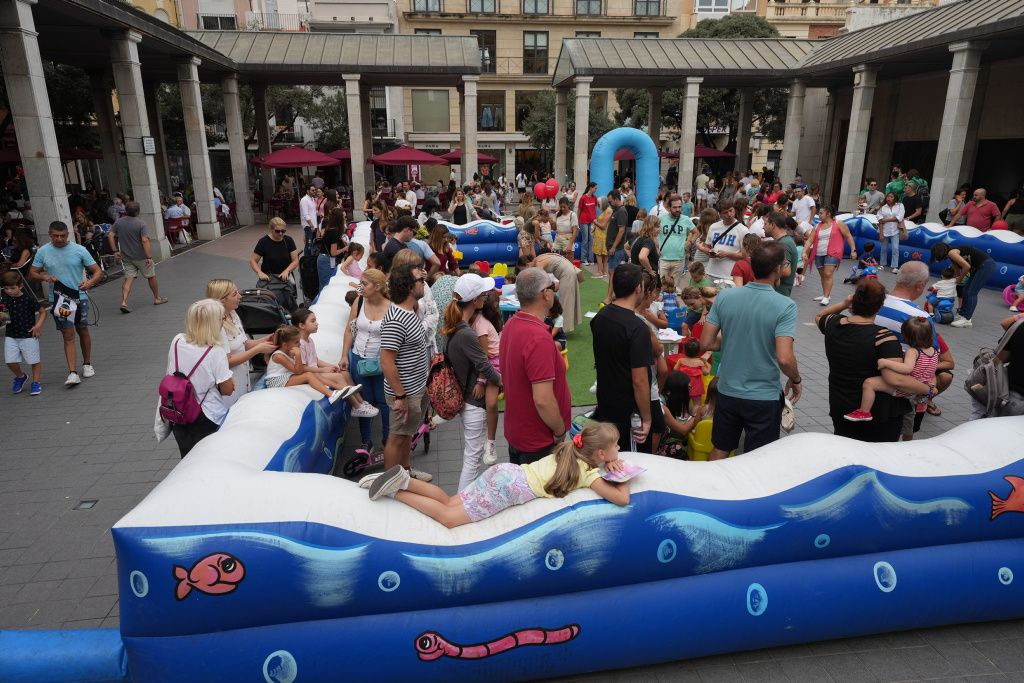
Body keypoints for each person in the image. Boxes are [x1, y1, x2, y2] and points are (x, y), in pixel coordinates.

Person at [367, 422, 630, 525]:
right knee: (448, 518)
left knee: (449, 500)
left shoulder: (568, 450)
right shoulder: (587, 473)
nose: (619, 449)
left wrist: (608, 462)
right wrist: (623, 475)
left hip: (505, 472)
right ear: (601, 455)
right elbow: (622, 500)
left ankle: (404, 479)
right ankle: (397, 492)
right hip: (509, 489)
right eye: (616, 446)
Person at [699, 242, 801, 458]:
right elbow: (784, 358)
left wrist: (732, 339)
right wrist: (796, 379)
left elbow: (706, 342)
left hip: (727, 390)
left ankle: (709, 489)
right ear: (776, 270)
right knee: (759, 458)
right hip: (763, 396)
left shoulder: (725, 297)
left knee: (720, 448)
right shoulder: (785, 306)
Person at [816, 281, 930, 442]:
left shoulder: (833, 324)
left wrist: (843, 303)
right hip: (880, 414)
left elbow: (820, 316)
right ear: (880, 305)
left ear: (854, 301)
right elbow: (895, 379)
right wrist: (927, 389)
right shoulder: (883, 337)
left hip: (841, 405)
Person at [499, 267, 571, 464]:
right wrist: (559, 429)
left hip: (519, 434)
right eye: (551, 287)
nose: (554, 290)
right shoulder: (538, 337)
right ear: (545, 294)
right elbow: (543, 399)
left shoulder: (511, 325)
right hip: (539, 441)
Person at [443, 274, 503, 489]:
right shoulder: (467, 332)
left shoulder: (455, 324)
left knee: (472, 456)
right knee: (473, 459)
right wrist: (502, 381)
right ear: (476, 300)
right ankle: (462, 501)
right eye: (483, 295)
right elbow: (484, 365)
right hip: (472, 403)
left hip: (465, 398)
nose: (486, 297)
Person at [30, 221, 102, 387]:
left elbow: (98, 271)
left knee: (82, 328)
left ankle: (87, 363)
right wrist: (45, 277)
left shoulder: (79, 250)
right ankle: (72, 372)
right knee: (67, 334)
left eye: (62, 236)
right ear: (50, 234)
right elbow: (32, 273)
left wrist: (90, 283)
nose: (59, 239)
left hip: (80, 296)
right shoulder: (43, 251)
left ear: (68, 234)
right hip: (59, 299)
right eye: (56, 236)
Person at [379, 263, 433, 482]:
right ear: (410, 287)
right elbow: (387, 362)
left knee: (407, 434)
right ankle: (390, 485)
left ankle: (406, 473)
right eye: (420, 281)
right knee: (397, 438)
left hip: (417, 387)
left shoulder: (411, 309)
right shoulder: (396, 320)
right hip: (405, 392)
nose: (424, 283)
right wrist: (400, 396)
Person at [591, 263, 652, 451]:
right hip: (628, 410)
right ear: (638, 288)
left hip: (606, 401)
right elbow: (639, 380)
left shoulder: (600, 317)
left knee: (611, 457)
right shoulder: (636, 328)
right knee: (629, 462)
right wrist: (647, 417)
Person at [164, 299, 235, 457]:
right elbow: (228, 389)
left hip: (178, 410)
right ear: (213, 323)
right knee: (209, 458)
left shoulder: (177, 341)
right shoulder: (216, 352)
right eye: (222, 318)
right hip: (206, 414)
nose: (224, 322)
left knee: (187, 458)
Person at [844, 316, 938, 422]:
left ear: (907, 336)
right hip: (920, 388)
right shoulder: (934, 352)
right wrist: (932, 384)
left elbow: (907, 368)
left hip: (906, 389)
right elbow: (932, 372)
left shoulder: (913, 351)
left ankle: (864, 411)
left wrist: (885, 362)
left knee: (869, 383)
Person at [340, 268, 392, 453]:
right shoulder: (359, 300)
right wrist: (344, 355)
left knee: (384, 401)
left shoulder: (391, 306)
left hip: (381, 361)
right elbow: (349, 329)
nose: (360, 287)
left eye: (365, 284)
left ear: (377, 286)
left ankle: (387, 440)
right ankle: (366, 441)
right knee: (364, 402)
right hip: (359, 358)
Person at [292, 308, 378, 417]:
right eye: (313, 321)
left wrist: (331, 366)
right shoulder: (300, 343)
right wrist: (323, 369)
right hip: (311, 374)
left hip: (317, 371)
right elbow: (303, 368)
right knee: (338, 377)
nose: (317, 324)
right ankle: (356, 406)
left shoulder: (310, 340)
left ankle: (361, 402)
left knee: (344, 373)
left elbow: (315, 360)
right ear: (301, 325)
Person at [205, 279, 274, 408]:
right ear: (222, 300)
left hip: (242, 380)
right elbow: (227, 361)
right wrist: (258, 349)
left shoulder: (232, 314)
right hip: (228, 389)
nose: (240, 296)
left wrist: (267, 339)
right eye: (234, 294)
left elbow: (244, 343)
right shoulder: (217, 325)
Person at [264, 324, 353, 400]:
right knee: (308, 375)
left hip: (287, 377)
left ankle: (341, 388)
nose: (299, 344)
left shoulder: (290, 351)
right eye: (296, 342)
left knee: (311, 373)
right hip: (276, 381)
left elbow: (299, 370)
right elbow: (298, 371)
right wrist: (298, 355)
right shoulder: (278, 356)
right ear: (285, 345)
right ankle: (330, 394)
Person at [108, 201, 166, 313]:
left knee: (128, 278)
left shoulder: (119, 222)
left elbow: (110, 235)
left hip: (127, 256)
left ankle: (124, 302)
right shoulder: (141, 224)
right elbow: (145, 240)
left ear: (126, 210)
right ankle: (157, 298)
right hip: (141, 257)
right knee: (151, 276)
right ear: (138, 211)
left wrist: (115, 250)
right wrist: (149, 257)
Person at [801, 206, 857, 307]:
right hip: (819, 253)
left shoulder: (839, 223)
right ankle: (825, 294)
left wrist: (853, 250)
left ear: (829, 214)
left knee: (828, 274)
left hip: (833, 252)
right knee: (823, 275)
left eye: (821, 213)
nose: (819, 215)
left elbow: (848, 236)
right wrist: (804, 252)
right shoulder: (817, 226)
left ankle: (826, 297)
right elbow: (810, 240)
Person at [472, 289, 503, 467]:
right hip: (488, 364)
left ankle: (491, 442)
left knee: (491, 403)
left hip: (494, 364)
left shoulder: (480, 325)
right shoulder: (475, 322)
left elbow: (486, 357)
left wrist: (481, 381)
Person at [930, 242, 994, 328]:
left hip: (985, 265)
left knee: (971, 292)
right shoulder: (951, 256)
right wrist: (954, 281)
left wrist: (959, 279)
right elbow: (956, 269)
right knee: (965, 290)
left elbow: (966, 266)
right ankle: (962, 315)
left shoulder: (952, 253)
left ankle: (967, 320)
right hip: (979, 267)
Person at [2, 270, 45, 396]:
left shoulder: (29, 299)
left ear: (20, 286)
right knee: (10, 361)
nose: (9, 291)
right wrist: (2, 316)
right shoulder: (4, 300)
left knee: (34, 361)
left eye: (12, 288)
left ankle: (36, 382)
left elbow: (43, 312)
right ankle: (20, 376)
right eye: (6, 288)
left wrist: (38, 325)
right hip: (11, 335)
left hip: (28, 334)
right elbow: (5, 318)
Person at [699, 199, 748, 284]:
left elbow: (744, 255)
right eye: (725, 212)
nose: (729, 214)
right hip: (711, 272)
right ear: (720, 214)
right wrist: (707, 251)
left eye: (731, 210)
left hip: (730, 275)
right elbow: (708, 247)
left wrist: (727, 254)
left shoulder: (743, 230)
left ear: (734, 210)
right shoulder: (714, 227)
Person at [657, 194, 694, 284]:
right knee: (662, 287)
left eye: (679, 207)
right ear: (669, 207)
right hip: (663, 259)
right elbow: (652, 234)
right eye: (674, 207)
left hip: (679, 259)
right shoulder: (661, 219)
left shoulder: (686, 219)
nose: (678, 209)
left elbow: (696, 232)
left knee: (674, 287)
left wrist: (689, 242)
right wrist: (656, 248)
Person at [251, 218, 298, 284]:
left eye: (283, 231)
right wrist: (259, 272)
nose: (281, 233)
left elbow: (295, 260)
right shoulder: (263, 242)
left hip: (286, 277)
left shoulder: (288, 240)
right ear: (271, 229)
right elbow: (253, 260)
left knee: (290, 293)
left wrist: (287, 270)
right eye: (277, 231)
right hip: (269, 279)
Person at [876, 192, 905, 272]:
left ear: (895, 198)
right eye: (888, 196)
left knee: (895, 248)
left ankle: (895, 267)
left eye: (891, 197)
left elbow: (899, 217)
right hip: (885, 230)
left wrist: (885, 220)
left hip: (895, 230)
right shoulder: (883, 207)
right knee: (883, 248)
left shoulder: (900, 205)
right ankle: (882, 264)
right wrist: (881, 233)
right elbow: (880, 221)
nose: (889, 198)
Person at [577, 182, 599, 265]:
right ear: (591, 187)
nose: (596, 190)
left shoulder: (595, 198)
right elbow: (579, 210)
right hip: (584, 221)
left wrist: (595, 220)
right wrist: (577, 221)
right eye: (595, 188)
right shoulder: (583, 198)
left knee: (592, 240)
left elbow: (595, 209)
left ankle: (591, 259)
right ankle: (584, 259)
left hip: (592, 221)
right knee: (585, 240)